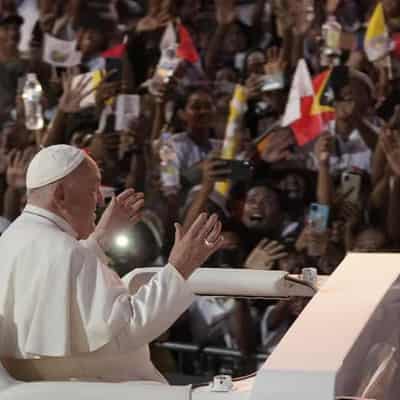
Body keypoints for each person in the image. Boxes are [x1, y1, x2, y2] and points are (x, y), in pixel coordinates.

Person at [0, 144, 224, 383]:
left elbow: (66, 281)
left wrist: (98, 241)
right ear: (61, 195)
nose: (99, 199)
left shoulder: (11, 238)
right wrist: (179, 269)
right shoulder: (65, 250)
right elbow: (126, 329)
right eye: (93, 189)